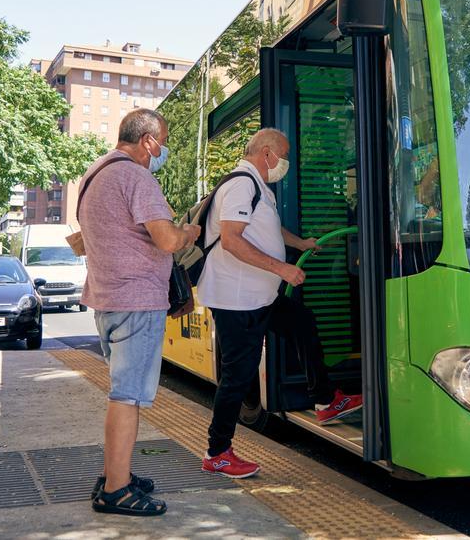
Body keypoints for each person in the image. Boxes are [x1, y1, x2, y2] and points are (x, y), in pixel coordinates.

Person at [197, 128, 362, 479]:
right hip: (237, 299)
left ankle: (325, 400)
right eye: (283, 155)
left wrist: (301, 244)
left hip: (260, 296)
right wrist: (283, 268)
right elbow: (231, 240)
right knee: (239, 374)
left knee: (301, 320)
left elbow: (267, 228)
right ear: (267, 152)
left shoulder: (258, 186)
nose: (284, 163)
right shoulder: (242, 183)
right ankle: (217, 451)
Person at [79, 108, 200, 517]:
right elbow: (166, 239)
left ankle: (117, 473)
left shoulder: (94, 174)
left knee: (122, 391)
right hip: (137, 302)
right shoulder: (136, 176)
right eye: (161, 142)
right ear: (148, 141)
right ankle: (116, 490)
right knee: (126, 397)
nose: (161, 150)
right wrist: (189, 232)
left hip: (107, 298)